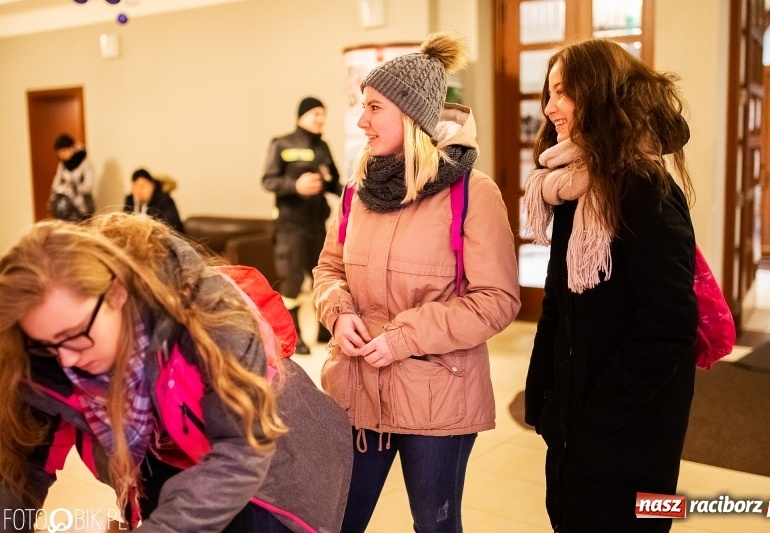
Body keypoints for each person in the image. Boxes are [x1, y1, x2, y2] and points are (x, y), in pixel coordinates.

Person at [0, 213, 352, 533]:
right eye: (47, 344)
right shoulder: (39, 356)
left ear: (118, 293)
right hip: (166, 474)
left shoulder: (210, 318)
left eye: (75, 335)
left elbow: (241, 452)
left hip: (272, 478)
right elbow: (22, 470)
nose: (65, 359)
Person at [312, 31, 521, 533]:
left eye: (374, 107)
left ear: (410, 115)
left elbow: (497, 300)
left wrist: (403, 337)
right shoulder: (356, 194)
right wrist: (337, 313)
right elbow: (328, 270)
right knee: (336, 520)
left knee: (435, 525)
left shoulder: (473, 193)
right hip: (357, 390)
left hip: (437, 400)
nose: (361, 120)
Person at [522, 39, 697, 532]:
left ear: (600, 94)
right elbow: (558, 302)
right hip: (577, 429)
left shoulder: (643, 189)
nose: (550, 107)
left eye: (563, 92)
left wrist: (597, 415)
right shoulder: (572, 186)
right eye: (548, 93)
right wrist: (546, 397)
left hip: (628, 432)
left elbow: (668, 324)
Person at [262, 96, 342, 355]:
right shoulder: (281, 144)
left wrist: (353, 193)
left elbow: (333, 181)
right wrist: (294, 187)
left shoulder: (323, 147)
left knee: (322, 276)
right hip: (290, 227)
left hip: (317, 224)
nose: (320, 119)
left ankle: (322, 329)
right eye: (315, 114)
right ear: (301, 116)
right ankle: (293, 335)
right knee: (292, 280)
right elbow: (268, 180)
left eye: (323, 114)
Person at [49, 133, 96, 222]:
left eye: (63, 151)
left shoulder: (85, 164)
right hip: (66, 208)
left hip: (82, 208)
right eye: (59, 152)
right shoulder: (62, 165)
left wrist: (73, 186)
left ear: (72, 148)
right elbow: (56, 185)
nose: (61, 155)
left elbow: (88, 186)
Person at [123, 167, 185, 233]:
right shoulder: (130, 201)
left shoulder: (165, 201)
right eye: (135, 186)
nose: (138, 190)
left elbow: (170, 228)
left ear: (152, 185)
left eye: (142, 186)